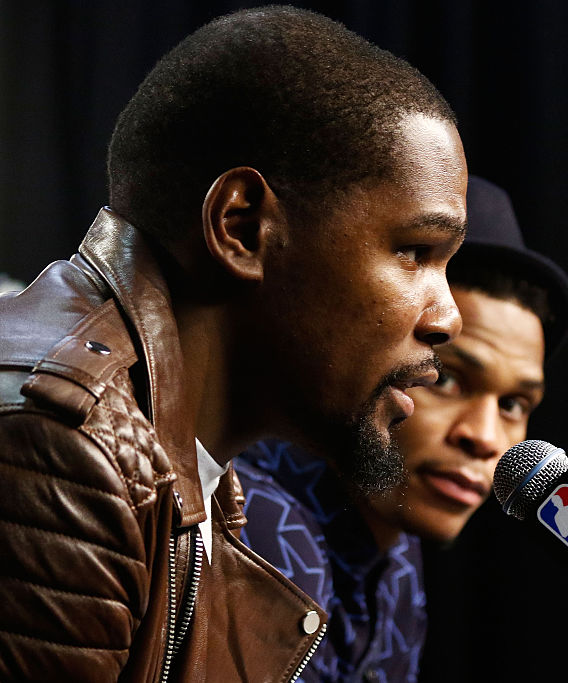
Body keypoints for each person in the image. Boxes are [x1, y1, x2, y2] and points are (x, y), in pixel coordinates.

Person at [0, 6, 467, 682]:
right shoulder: (67, 446)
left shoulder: (193, 470)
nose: (447, 317)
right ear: (242, 227)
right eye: (415, 251)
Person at [234, 175, 568, 682]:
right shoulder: (249, 523)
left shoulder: (397, 552)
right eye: (446, 377)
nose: (484, 438)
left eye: (512, 404)